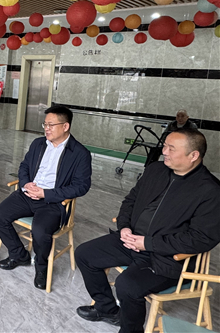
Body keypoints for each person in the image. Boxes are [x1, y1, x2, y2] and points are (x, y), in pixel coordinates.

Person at [75, 128, 220, 333]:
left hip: (167, 257)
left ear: (193, 155)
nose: (164, 152)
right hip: (131, 240)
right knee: (84, 254)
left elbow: (201, 238)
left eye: (171, 148)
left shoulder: (210, 191)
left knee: (127, 285)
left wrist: (148, 243)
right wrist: (124, 227)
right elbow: (130, 200)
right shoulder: (156, 170)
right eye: (165, 146)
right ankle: (107, 309)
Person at [0, 105, 91, 290]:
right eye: (45, 124)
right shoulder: (38, 144)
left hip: (52, 201)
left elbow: (81, 186)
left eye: (51, 125)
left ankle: (41, 267)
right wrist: (25, 183)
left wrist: (46, 193)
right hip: (27, 194)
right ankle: (19, 254)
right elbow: (24, 166)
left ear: (65, 126)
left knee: (40, 231)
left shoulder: (80, 153)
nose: (46, 128)